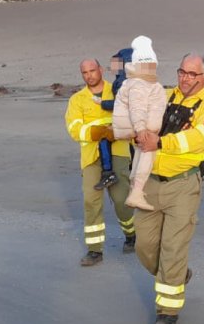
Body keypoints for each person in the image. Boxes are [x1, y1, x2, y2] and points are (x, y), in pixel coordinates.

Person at [133, 53, 204, 324]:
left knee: (173, 248)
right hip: (149, 183)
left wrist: (160, 143)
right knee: (145, 247)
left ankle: (167, 312)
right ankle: (179, 275)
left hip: (183, 186)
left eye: (192, 74)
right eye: (182, 72)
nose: (185, 78)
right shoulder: (163, 95)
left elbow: (198, 138)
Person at [64, 58, 136, 267]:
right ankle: (95, 250)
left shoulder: (117, 91)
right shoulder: (77, 99)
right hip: (91, 156)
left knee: (122, 199)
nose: (89, 76)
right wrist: (98, 132)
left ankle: (131, 235)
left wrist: (118, 132)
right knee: (91, 201)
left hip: (118, 151)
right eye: (84, 73)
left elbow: (132, 116)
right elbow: (74, 129)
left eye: (92, 71)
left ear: (101, 70)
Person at [111, 36, 167, 211]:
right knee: (147, 154)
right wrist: (141, 127)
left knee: (139, 154)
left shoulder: (139, 81)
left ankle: (135, 190)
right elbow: (138, 107)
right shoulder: (140, 83)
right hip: (145, 128)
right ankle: (137, 191)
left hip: (141, 127)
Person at [93, 46, 133, 191]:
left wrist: (102, 103)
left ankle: (108, 173)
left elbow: (120, 104)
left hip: (128, 122)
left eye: (115, 63)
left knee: (104, 139)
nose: (112, 67)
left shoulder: (122, 82)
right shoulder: (137, 80)